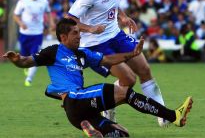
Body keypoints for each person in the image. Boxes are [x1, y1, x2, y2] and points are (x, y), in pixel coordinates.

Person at [2, 18, 193, 137]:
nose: (79, 36)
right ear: (63, 37)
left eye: (79, 33)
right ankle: (173, 116)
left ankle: (89, 129)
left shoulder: (83, 54)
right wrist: (17, 60)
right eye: (75, 33)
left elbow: (109, 59)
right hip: (74, 99)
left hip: (81, 113)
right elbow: (27, 62)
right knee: (124, 93)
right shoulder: (53, 51)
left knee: (122, 134)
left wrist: (132, 54)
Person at [67, 0, 169, 126]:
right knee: (129, 80)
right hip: (96, 44)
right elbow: (70, 20)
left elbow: (112, 2)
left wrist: (122, 16)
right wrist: (90, 28)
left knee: (144, 69)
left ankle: (164, 114)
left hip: (116, 35)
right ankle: (109, 105)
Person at [13, 0, 54, 86]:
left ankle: (29, 79)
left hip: (37, 34)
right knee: (24, 56)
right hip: (25, 34)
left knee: (35, 56)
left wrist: (52, 23)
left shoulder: (43, 1)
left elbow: (48, 13)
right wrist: (20, 23)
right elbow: (15, 15)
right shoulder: (23, 1)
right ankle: (26, 67)